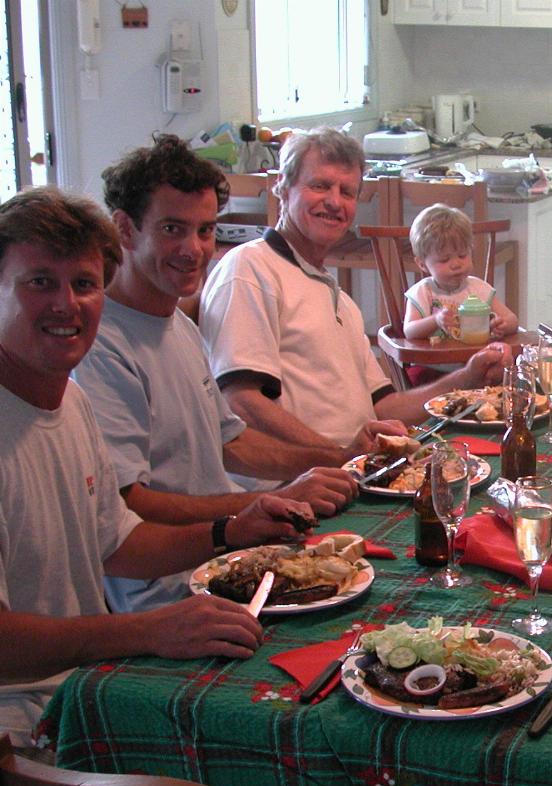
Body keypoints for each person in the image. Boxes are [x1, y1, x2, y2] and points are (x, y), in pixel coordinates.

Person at [0, 186, 306, 748]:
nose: (67, 304)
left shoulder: (71, 402)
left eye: (85, 284)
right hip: (25, 735)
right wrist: (145, 630)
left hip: (89, 690)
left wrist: (231, 531)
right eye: (40, 282)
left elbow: (118, 547)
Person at [67, 136, 369, 612]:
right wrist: (248, 513)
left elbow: (231, 443)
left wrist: (334, 459)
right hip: (170, 593)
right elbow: (131, 503)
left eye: (205, 231)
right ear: (124, 229)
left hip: (230, 558)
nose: (194, 249)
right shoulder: (101, 346)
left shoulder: (177, 326)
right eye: (173, 229)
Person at [199, 127, 508, 454]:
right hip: (296, 484)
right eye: (319, 186)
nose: (334, 201)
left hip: (356, 471)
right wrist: (343, 459)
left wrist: (468, 376)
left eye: (347, 192)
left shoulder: (340, 300)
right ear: (283, 189)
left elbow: (385, 407)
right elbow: (240, 402)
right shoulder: (249, 270)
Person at [403, 202, 518, 342]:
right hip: (432, 362)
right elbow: (409, 330)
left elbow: (512, 320)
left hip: (477, 358)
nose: (456, 264)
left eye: (462, 255)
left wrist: (502, 325)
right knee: (416, 366)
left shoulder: (479, 289)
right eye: (444, 260)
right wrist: (435, 320)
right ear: (422, 264)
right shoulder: (422, 292)